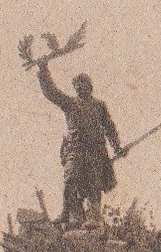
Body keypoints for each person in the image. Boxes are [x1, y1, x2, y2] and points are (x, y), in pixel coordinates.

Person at [38, 63, 125, 226]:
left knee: (94, 183)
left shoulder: (99, 106)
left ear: (90, 86)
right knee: (71, 179)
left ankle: (94, 217)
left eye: (83, 83)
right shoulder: (70, 104)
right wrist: (43, 72)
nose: (79, 87)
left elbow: (109, 127)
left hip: (95, 150)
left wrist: (117, 146)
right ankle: (70, 213)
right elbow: (52, 93)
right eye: (76, 85)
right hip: (76, 148)